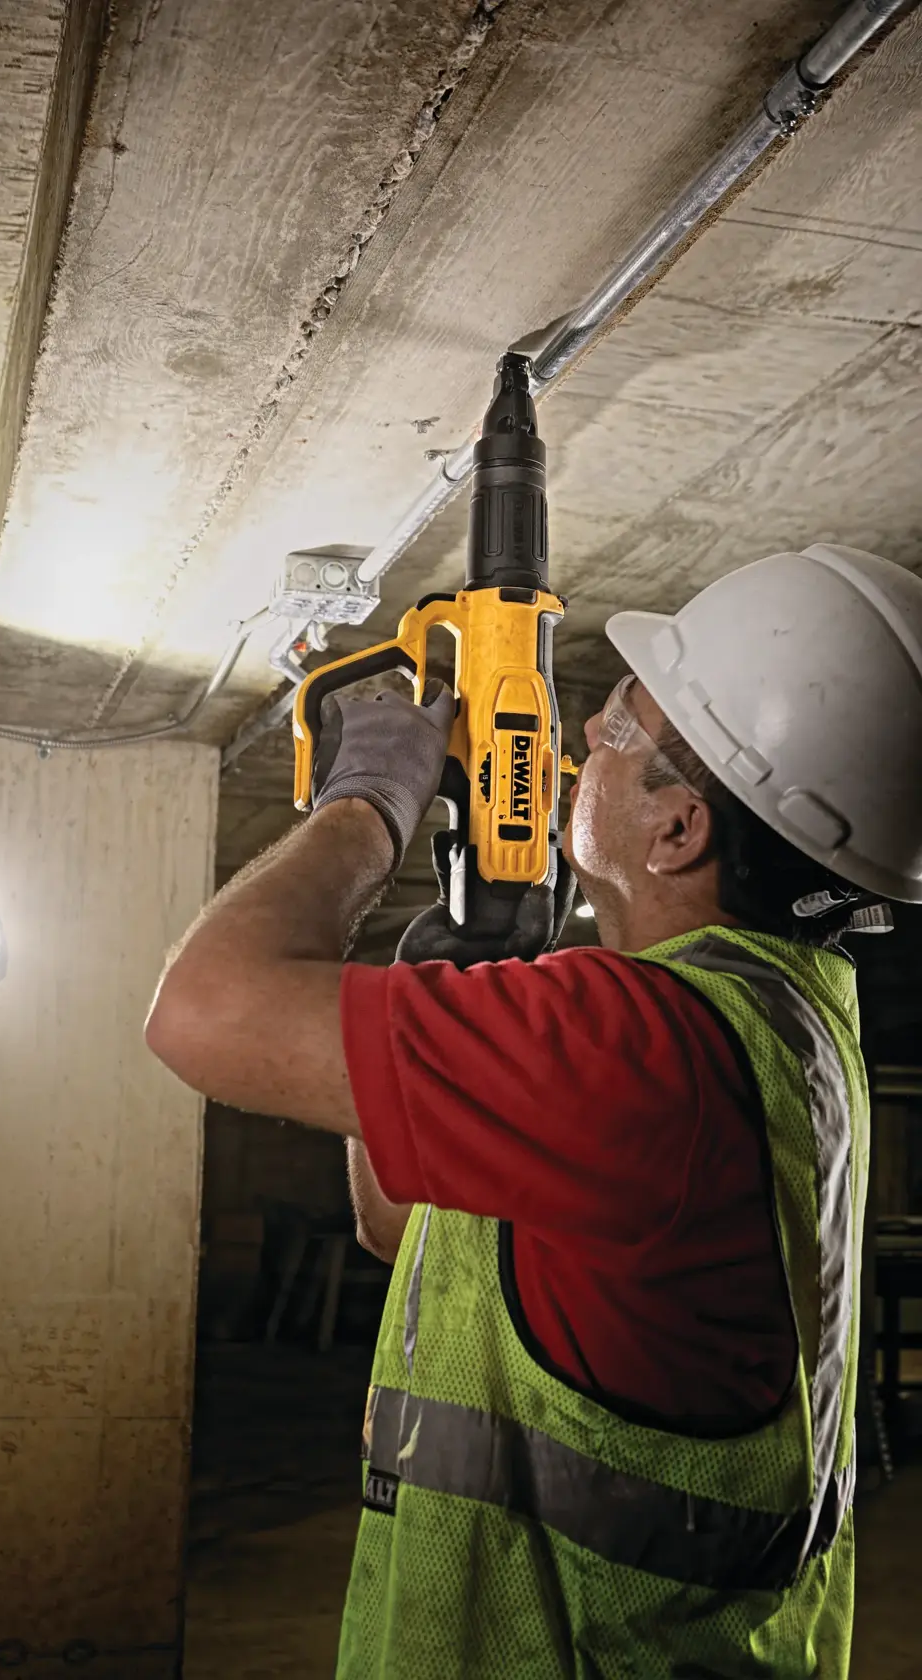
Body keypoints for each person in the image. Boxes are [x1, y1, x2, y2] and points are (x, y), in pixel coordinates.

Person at [145, 543, 922, 1678]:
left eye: (615, 725)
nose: (580, 744)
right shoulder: (781, 1022)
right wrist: (430, 992)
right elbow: (408, 1226)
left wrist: (370, 803)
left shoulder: (634, 1046)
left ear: (678, 830)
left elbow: (200, 1012)